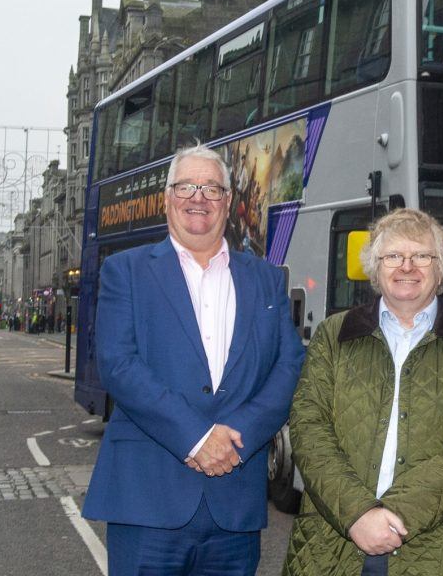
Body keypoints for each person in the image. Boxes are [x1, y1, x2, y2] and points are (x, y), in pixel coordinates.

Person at [82, 143, 304, 576]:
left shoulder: (266, 279)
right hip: (147, 501)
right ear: (167, 199)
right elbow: (119, 364)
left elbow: (288, 365)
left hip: (235, 506)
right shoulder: (124, 271)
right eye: (186, 186)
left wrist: (238, 437)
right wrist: (198, 438)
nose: (198, 198)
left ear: (228, 201)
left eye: (211, 188)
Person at [283, 208, 443, 576]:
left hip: (433, 549)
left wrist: (397, 513)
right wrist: (358, 513)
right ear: (375, 267)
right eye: (393, 256)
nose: (407, 266)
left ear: (441, 269)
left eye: (421, 256)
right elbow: (308, 427)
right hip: (330, 544)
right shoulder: (334, 334)